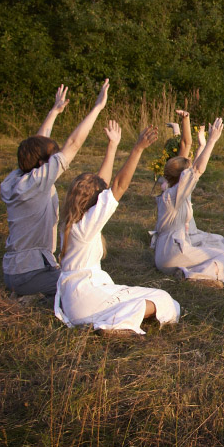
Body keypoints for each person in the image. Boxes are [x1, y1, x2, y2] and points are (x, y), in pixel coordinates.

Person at [55, 123, 180, 336]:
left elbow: (101, 185)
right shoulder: (87, 226)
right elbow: (118, 186)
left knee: (149, 297)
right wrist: (137, 149)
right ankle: (118, 323)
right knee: (166, 300)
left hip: (72, 302)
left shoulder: (71, 222)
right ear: (95, 202)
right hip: (88, 298)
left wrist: (112, 146)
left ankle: (112, 319)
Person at [1, 80, 110, 299]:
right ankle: (33, 297)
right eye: (52, 158)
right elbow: (74, 143)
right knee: (83, 288)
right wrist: (97, 107)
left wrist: (54, 112)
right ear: (43, 165)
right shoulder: (37, 182)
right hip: (30, 273)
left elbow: (36, 145)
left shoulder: (18, 178)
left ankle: (32, 295)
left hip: (15, 271)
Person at [152, 116, 224, 286]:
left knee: (220, 242)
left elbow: (191, 167)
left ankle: (194, 270)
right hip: (172, 254)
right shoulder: (174, 195)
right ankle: (191, 275)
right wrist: (212, 140)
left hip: (169, 250)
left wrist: (203, 145)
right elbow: (196, 169)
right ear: (182, 178)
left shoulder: (171, 188)